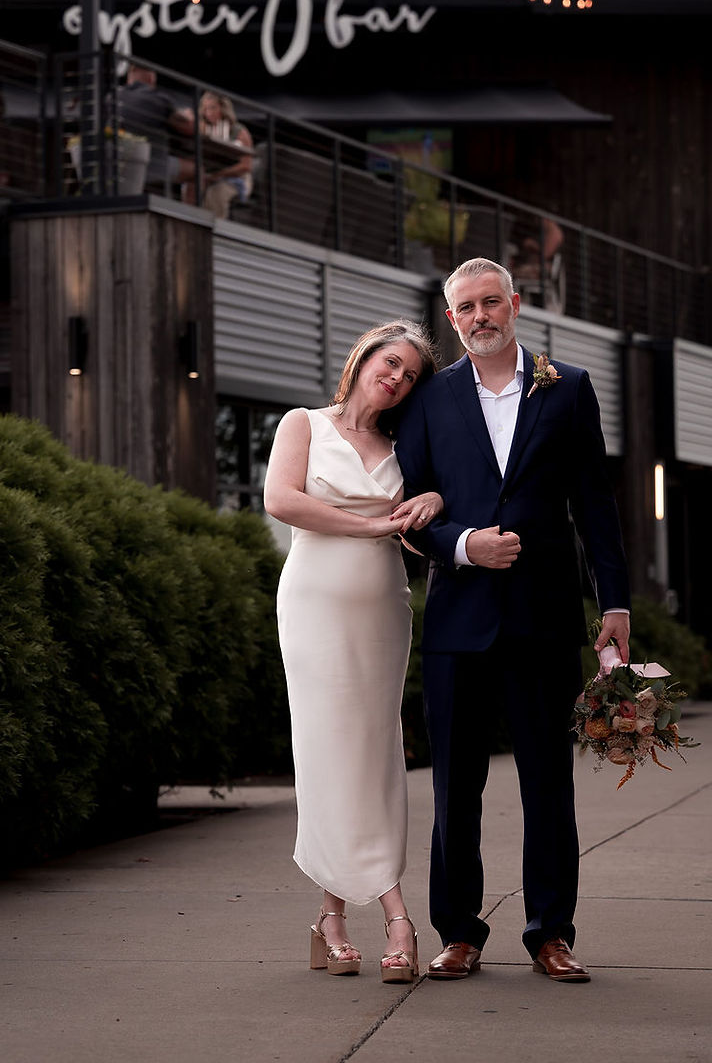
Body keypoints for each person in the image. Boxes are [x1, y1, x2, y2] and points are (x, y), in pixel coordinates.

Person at [394, 257, 631, 985]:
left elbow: (595, 505)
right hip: (458, 622)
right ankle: (458, 933)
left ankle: (550, 933)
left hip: (543, 617)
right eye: (464, 308)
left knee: (547, 786)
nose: (478, 317)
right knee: (453, 789)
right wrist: (466, 545)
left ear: (516, 305)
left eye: (490, 302)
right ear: (452, 317)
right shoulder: (427, 400)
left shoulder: (570, 388)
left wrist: (615, 604)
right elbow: (409, 508)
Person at [263, 320, 441, 982]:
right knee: (327, 751)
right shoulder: (303, 423)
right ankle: (397, 915)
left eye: (408, 376)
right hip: (313, 606)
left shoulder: (405, 443)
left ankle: (330, 919)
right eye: (389, 363)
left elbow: (417, 538)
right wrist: (372, 524)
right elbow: (281, 501)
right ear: (364, 357)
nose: (394, 378)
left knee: (373, 750)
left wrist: (431, 504)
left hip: (382, 610)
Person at [115, 62, 194, 195]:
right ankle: (189, 214)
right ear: (152, 78)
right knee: (197, 170)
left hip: (116, 166)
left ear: (129, 78)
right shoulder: (156, 98)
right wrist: (189, 115)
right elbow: (189, 128)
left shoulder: (112, 96)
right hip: (152, 166)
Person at [183, 90, 256, 219]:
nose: (209, 113)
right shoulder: (203, 128)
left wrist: (218, 175)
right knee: (189, 187)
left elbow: (246, 166)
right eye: (205, 109)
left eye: (213, 108)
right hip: (209, 174)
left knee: (215, 193)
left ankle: (215, 231)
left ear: (223, 108)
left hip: (235, 178)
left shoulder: (239, 131)